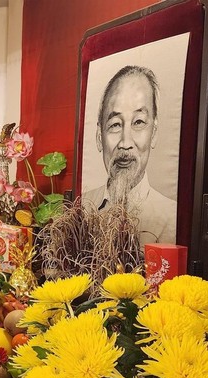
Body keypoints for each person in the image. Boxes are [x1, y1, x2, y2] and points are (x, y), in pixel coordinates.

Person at [82, 65, 177, 244]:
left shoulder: (171, 218)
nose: (125, 143)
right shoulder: (83, 206)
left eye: (139, 122)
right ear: (99, 136)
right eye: (115, 124)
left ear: (154, 133)